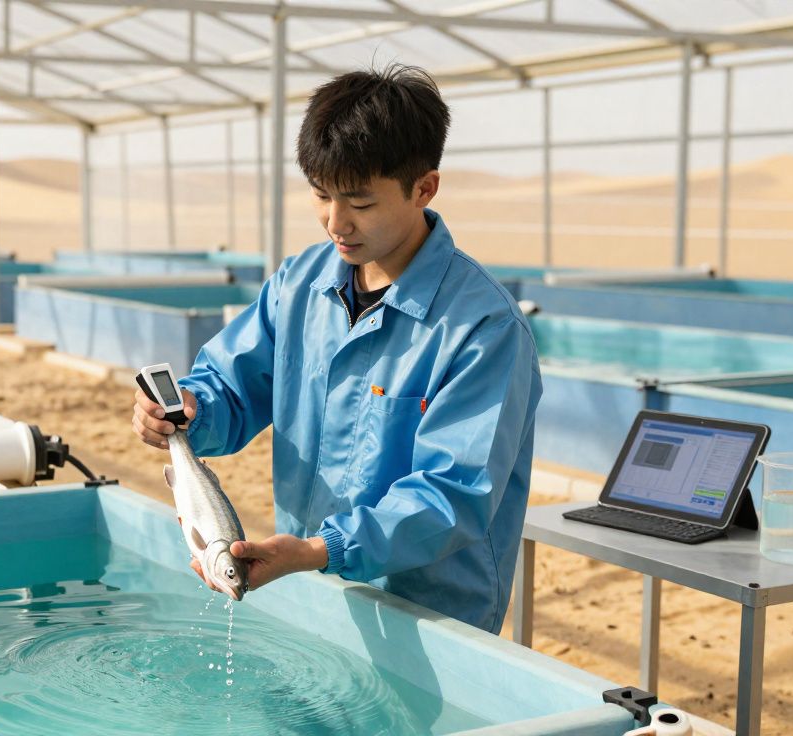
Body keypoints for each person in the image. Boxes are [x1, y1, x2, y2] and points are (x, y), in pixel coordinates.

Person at [131, 64, 542, 634]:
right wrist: (190, 412)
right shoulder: (299, 285)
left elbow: (452, 496)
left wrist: (323, 549)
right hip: (311, 588)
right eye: (321, 195)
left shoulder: (483, 329)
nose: (335, 223)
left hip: (430, 619)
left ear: (424, 188)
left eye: (360, 203)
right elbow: (231, 386)